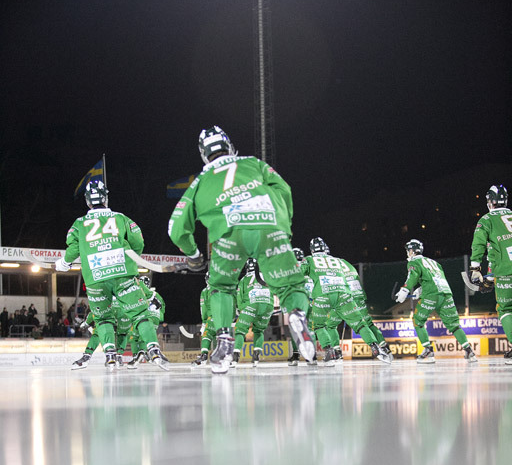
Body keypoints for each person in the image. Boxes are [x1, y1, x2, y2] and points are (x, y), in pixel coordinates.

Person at [168, 125, 315, 373]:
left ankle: (225, 341)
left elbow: (176, 228)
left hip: (229, 234)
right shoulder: (253, 163)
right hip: (268, 227)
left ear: (204, 154)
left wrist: (193, 255)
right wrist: (282, 227)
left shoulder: (200, 181)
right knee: (291, 285)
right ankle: (298, 314)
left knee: (221, 286)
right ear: (229, 146)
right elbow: (284, 190)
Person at [55, 178, 169, 370]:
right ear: (106, 198)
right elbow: (138, 241)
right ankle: (153, 349)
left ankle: (110, 355)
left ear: (87, 201)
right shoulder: (121, 218)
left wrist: (64, 263)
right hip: (122, 273)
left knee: (103, 318)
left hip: (95, 277)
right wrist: (129, 258)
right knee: (140, 313)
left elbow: (73, 248)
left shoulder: (79, 223)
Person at [304, 237, 392, 365]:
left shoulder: (308, 260)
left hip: (323, 294)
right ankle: (375, 347)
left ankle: (331, 352)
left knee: (319, 325)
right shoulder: (338, 260)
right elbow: (351, 276)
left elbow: (298, 275)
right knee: (361, 323)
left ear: (312, 250)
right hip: (345, 294)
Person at [395, 238, 477, 364]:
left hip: (431, 294)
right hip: (446, 293)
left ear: (412, 251)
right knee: (454, 325)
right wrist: (421, 289)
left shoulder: (414, 262)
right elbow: (436, 278)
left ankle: (428, 350)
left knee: (417, 321)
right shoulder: (434, 262)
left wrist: (404, 290)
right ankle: (469, 351)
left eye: (408, 250)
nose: (407, 253)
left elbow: (413, 275)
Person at [470, 184, 512, 365]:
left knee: (505, 309)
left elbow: (480, 244)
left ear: (490, 202)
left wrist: (475, 268)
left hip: (507, 271)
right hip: (501, 268)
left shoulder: (486, 220)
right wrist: (489, 274)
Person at [232, 258, 274, 367]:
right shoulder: (267, 277)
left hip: (251, 305)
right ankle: (256, 356)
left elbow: (239, 297)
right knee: (259, 330)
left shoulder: (244, 280)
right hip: (268, 306)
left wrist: (241, 310)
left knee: (240, 330)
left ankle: (235, 355)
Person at [191, 271, 216, 367]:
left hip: (213, 317)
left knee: (207, 334)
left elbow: (204, 309)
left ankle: (204, 356)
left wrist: (204, 322)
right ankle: (223, 357)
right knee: (221, 336)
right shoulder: (223, 289)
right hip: (226, 317)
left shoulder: (205, 291)